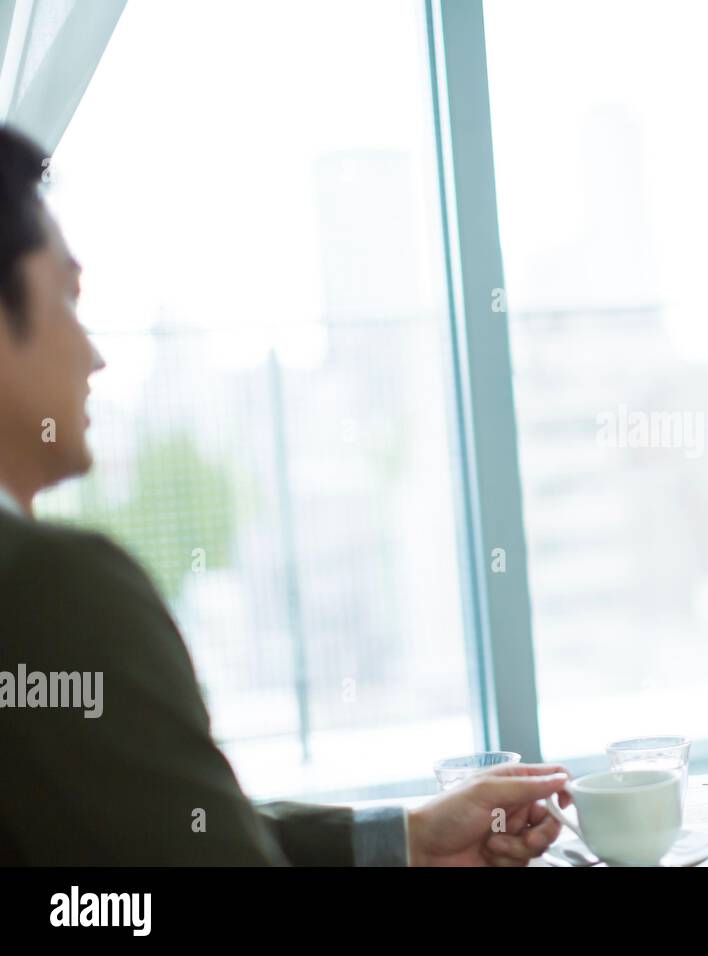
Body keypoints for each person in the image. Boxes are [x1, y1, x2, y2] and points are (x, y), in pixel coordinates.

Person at [0, 125, 570, 866]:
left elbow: (170, 828)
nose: (95, 354)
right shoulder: (53, 588)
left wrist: (407, 840)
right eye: (67, 301)